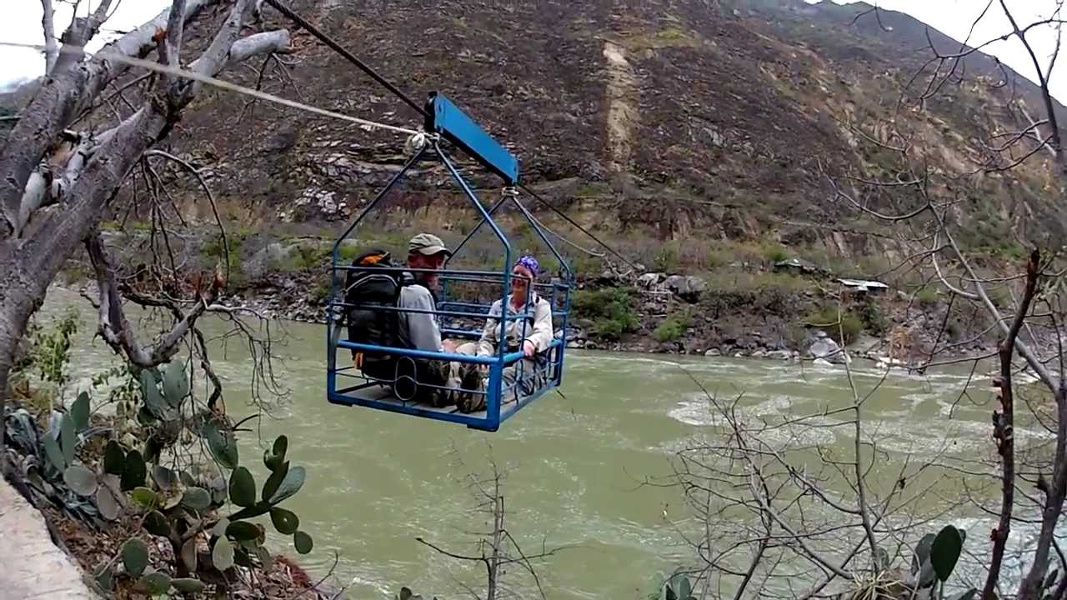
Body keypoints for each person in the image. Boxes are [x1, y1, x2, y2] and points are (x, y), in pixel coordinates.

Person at [453, 255, 555, 413]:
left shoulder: (541, 306)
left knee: (512, 374)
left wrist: (532, 342)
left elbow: (545, 331)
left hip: (525, 361)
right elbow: (487, 338)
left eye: (524, 275)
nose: (518, 278)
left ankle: (481, 395)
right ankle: (447, 383)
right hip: (499, 355)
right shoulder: (499, 306)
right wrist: (484, 355)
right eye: (516, 273)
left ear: (533, 280)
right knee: (467, 349)